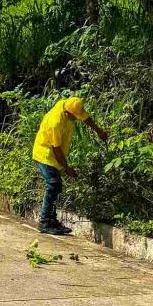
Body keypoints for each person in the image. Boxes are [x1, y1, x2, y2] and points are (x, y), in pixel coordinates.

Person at [32, 97, 108, 235]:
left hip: (55, 156)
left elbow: (86, 118)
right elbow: (56, 149)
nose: (77, 119)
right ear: (67, 113)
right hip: (45, 154)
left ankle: (52, 221)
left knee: (56, 187)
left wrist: (99, 131)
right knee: (53, 184)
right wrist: (67, 169)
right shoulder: (55, 122)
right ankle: (44, 222)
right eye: (75, 117)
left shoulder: (68, 105)